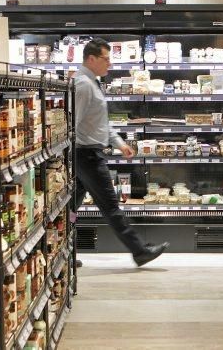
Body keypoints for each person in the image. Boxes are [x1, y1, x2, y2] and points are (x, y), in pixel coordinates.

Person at [71, 38, 169, 267]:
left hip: (85, 154)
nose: (110, 64)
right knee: (111, 207)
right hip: (86, 155)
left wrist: (119, 143)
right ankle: (140, 251)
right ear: (91, 58)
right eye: (106, 59)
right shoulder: (83, 84)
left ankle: (60, 251)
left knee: (69, 208)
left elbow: (99, 121)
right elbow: (72, 124)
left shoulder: (91, 82)